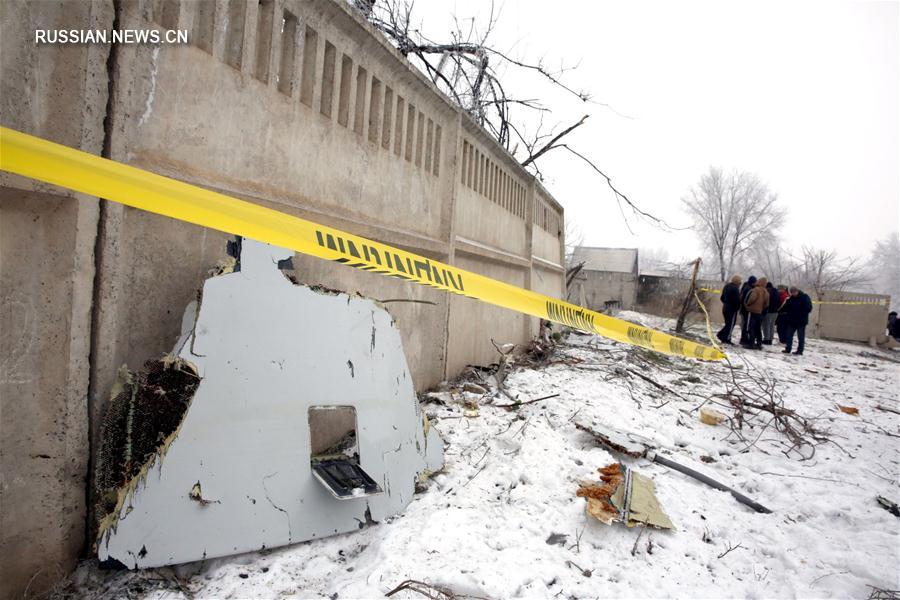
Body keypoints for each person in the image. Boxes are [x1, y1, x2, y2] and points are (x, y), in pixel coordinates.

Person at [782, 286, 813, 355]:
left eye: (794, 292)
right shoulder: (791, 299)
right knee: (789, 335)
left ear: (797, 291)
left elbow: (809, 308)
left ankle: (800, 350)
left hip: (801, 321)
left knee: (800, 337)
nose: (793, 294)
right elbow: (787, 307)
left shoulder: (804, 297)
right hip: (792, 321)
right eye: (792, 293)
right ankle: (788, 349)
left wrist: (801, 314)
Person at [743, 277, 769, 349]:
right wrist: (761, 308)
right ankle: (759, 343)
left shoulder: (755, 290)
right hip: (760, 312)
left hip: (752, 311)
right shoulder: (766, 292)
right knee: (758, 328)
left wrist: (747, 305)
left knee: (751, 327)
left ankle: (751, 343)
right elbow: (766, 304)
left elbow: (752, 299)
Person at [717, 275, 742, 344]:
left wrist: (726, 303)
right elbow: (736, 300)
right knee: (730, 325)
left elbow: (722, 298)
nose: (740, 283)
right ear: (737, 281)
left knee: (728, 324)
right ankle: (726, 338)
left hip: (725, 308)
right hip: (732, 309)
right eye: (740, 282)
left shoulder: (726, 286)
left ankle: (722, 336)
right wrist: (737, 308)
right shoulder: (735, 289)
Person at [738, 275, 757, 345]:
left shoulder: (745, 287)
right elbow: (746, 300)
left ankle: (743, 339)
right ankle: (744, 339)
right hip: (746, 310)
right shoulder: (749, 289)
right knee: (746, 325)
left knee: (744, 324)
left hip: (743, 309)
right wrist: (747, 306)